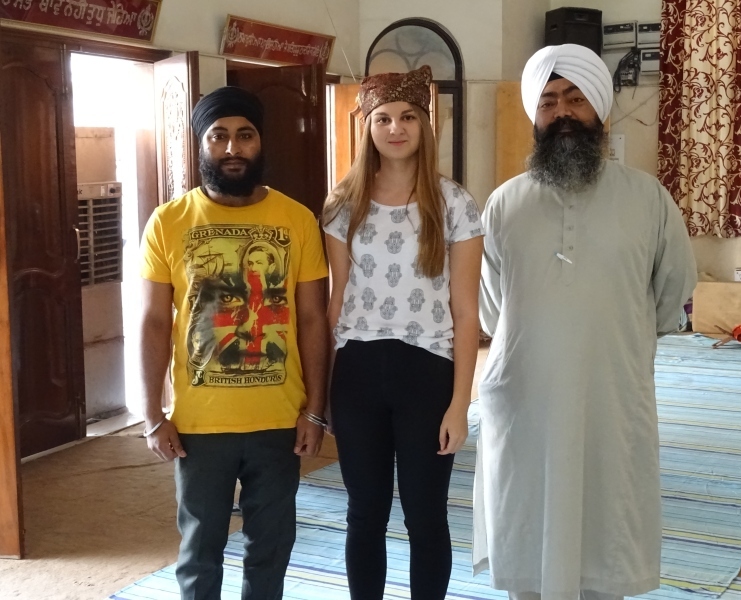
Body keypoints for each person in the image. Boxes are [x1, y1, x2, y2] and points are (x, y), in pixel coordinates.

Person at [474, 44, 697, 600]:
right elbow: (490, 309)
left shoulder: (648, 199)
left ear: (600, 108)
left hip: (611, 396)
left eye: (575, 99)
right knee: (527, 538)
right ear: (535, 115)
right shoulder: (504, 205)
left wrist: (617, 331)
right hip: (524, 398)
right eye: (548, 102)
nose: (563, 113)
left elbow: (673, 293)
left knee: (606, 536)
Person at [139, 86, 329, 600]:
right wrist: (153, 415)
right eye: (218, 136)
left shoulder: (297, 219)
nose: (232, 148)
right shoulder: (169, 222)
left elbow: (313, 319)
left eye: (244, 135)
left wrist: (315, 410)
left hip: (278, 420)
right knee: (200, 552)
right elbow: (153, 322)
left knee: (271, 548)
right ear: (201, 144)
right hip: (200, 424)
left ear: (260, 142)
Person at [323, 65, 484, 600]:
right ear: (367, 127)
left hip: (427, 373)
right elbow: (336, 301)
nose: (396, 128)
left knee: (425, 514)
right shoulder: (343, 204)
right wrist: (324, 393)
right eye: (384, 118)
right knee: (364, 512)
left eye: (409, 117)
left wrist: (459, 404)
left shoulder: (454, 203)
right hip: (358, 373)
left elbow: (466, 312)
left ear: (425, 125)